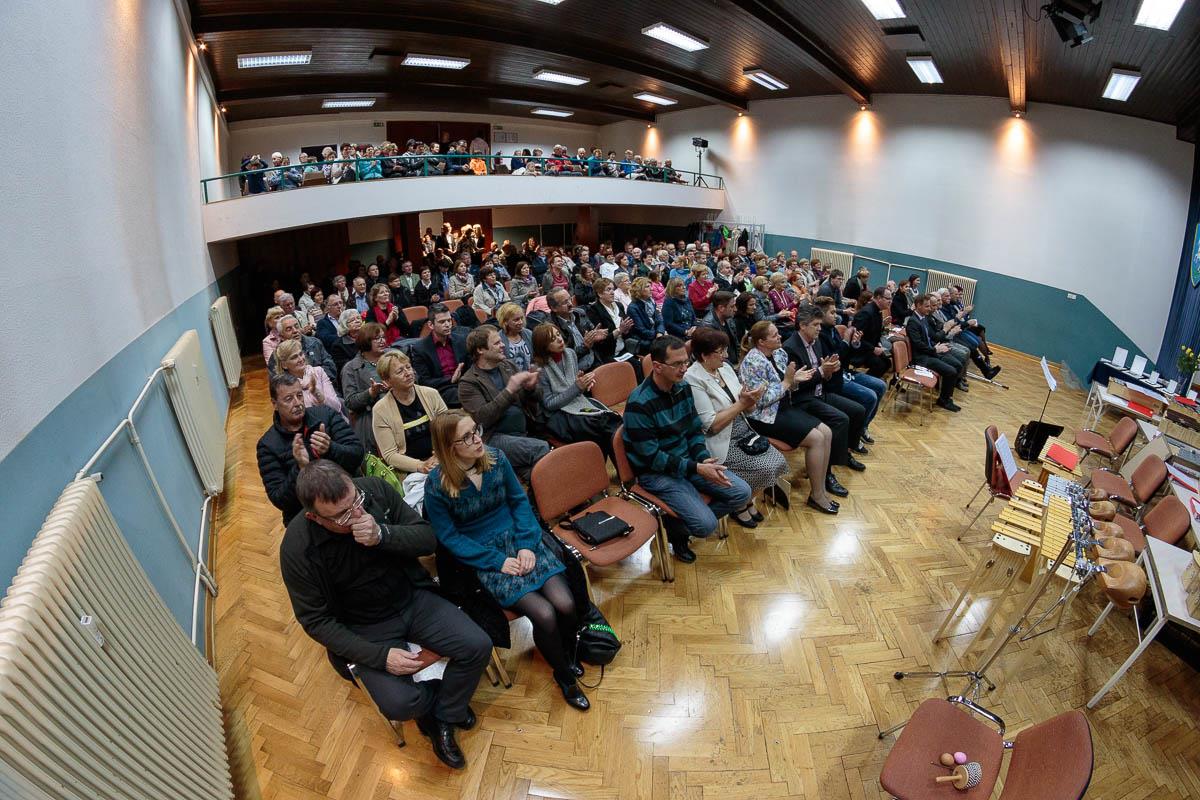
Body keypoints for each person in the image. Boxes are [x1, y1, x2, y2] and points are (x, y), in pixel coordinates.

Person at [279, 460, 491, 769]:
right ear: (315, 517)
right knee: (400, 704)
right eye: (342, 515)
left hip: (412, 598)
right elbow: (315, 621)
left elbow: (427, 539)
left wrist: (383, 534)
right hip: (364, 626)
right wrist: (380, 657)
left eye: (356, 501)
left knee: (478, 645)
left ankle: (445, 715)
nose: (356, 515)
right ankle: (436, 704)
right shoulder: (297, 548)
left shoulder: (374, 490)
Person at [425, 412, 589, 710]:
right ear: (450, 448)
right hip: (486, 556)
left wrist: (526, 544)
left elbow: (519, 502)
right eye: (467, 437)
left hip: (521, 538)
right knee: (544, 613)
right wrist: (497, 561)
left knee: (565, 603)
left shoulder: (496, 458)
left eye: (476, 430)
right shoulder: (436, 485)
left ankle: (565, 652)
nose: (478, 439)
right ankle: (564, 675)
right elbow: (450, 538)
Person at [623, 337, 752, 562]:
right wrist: (696, 467)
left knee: (742, 492)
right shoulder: (639, 403)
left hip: (688, 462)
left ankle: (679, 523)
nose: (685, 368)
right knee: (706, 526)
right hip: (657, 473)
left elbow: (693, 430)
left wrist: (703, 458)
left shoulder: (682, 387)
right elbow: (652, 458)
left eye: (686, 361)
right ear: (657, 367)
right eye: (677, 364)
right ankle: (677, 529)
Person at [684, 328, 788, 523]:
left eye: (726, 349)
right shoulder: (692, 378)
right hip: (721, 439)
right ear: (705, 355)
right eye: (721, 351)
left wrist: (752, 399)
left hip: (743, 428)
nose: (726, 355)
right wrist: (742, 403)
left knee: (778, 461)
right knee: (765, 467)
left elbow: (745, 404)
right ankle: (739, 504)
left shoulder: (724, 368)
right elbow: (711, 425)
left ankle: (746, 500)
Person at [737, 322, 841, 514]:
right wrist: (787, 382)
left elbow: (786, 387)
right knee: (817, 439)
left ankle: (821, 489)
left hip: (783, 408)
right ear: (761, 342)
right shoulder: (752, 362)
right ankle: (817, 495)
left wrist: (794, 382)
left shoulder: (779, 353)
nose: (780, 337)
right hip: (764, 417)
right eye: (774, 335)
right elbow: (758, 401)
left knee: (826, 432)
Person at [257, 374, 364, 524]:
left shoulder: (325, 415)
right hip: (308, 515)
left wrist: (330, 448)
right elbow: (280, 500)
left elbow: (357, 454)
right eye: (288, 399)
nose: (297, 403)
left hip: (347, 497)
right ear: (274, 404)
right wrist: (300, 468)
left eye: (299, 395)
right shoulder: (268, 445)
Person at [457, 325, 549, 480]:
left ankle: (529, 484)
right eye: (497, 343)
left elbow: (538, 397)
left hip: (525, 429)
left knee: (538, 468)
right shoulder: (468, 382)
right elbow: (482, 418)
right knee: (542, 449)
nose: (503, 345)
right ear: (480, 350)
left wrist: (530, 388)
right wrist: (509, 390)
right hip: (494, 437)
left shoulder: (508, 365)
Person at [782, 306, 867, 468]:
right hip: (803, 399)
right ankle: (827, 470)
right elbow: (796, 384)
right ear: (802, 325)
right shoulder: (790, 347)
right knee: (840, 419)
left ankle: (846, 452)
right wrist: (822, 371)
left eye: (820, 324)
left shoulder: (816, 342)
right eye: (815, 324)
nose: (819, 328)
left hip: (820, 392)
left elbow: (823, 374)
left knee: (858, 410)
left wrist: (829, 371)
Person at [531, 323, 621, 460]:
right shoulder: (539, 368)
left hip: (576, 404)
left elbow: (573, 387)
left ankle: (621, 467)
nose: (559, 339)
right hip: (558, 416)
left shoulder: (570, 354)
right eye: (552, 339)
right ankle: (608, 467)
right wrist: (577, 387)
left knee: (612, 422)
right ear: (543, 346)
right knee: (604, 426)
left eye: (558, 334)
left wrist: (583, 384)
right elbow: (549, 404)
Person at [814, 297, 886, 446]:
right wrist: (846, 341)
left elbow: (846, 356)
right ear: (821, 314)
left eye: (835, 312)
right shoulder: (820, 334)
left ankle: (862, 427)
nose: (836, 316)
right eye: (832, 312)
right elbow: (834, 359)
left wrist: (854, 343)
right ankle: (855, 435)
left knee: (881, 386)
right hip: (834, 378)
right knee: (870, 397)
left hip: (845, 371)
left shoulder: (832, 329)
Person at [372, 350, 448, 478]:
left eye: (408, 367)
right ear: (387, 381)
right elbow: (390, 455)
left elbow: (448, 429)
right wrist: (420, 465)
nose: (408, 373)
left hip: (442, 456)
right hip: (410, 471)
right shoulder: (380, 410)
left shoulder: (431, 394)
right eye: (400, 371)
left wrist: (439, 456)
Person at [905, 293, 966, 412]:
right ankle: (944, 400)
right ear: (918, 305)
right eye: (927, 306)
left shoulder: (923, 319)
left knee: (957, 365)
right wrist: (935, 350)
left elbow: (929, 338)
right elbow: (918, 345)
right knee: (951, 371)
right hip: (921, 358)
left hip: (930, 351)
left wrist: (936, 347)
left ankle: (947, 396)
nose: (930, 309)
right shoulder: (913, 322)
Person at [340, 322, 390, 451]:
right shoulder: (351, 368)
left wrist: (396, 383)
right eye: (377, 338)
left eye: (383, 337)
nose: (382, 341)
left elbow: (413, 376)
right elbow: (350, 402)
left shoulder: (393, 356)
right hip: (372, 417)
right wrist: (371, 393)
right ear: (365, 341)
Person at [411, 304, 468, 407]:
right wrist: (451, 379)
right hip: (441, 389)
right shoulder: (420, 349)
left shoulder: (461, 340)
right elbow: (424, 381)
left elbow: (471, 367)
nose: (447, 325)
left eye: (449, 320)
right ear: (431, 325)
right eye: (442, 322)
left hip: (465, 384)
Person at [273, 339, 344, 418]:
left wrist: (316, 392)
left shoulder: (318, 372)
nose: (301, 359)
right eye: (294, 357)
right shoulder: (284, 386)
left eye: (301, 354)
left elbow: (337, 407)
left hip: (333, 418)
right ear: (284, 365)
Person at [268, 315, 339, 387]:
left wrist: (313, 379)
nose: (295, 331)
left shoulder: (315, 343)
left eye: (296, 326)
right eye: (289, 329)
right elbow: (277, 382)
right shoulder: (277, 355)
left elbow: (331, 367)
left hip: (324, 385)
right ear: (281, 336)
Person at [585, 277, 636, 367]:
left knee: (637, 366)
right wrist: (619, 330)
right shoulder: (593, 310)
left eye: (613, 289)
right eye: (608, 290)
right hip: (607, 354)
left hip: (623, 350)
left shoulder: (619, 305)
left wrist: (626, 330)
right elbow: (601, 341)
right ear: (600, 294)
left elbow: (627, 331)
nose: (612, 292)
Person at [850, 287, 894, 378]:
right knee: (880, 364)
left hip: (869, 347)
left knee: (887, 362)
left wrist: (878, 344)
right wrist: (873, 349)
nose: (890, 301)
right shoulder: (866, 313)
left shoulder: (878, 311)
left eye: (891, 298)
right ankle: (864, 383)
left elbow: (874, 333)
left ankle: (872, 382)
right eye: (888, 299)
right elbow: (856, 338)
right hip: (860, 350)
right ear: (878, 298)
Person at [698, 291, 740, 364]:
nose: (735, 309)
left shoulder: (729, 319)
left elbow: (736, 343)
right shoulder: (708, 326)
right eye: (732, 306)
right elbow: (713, 355)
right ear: (721, 308)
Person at [496, 303, 534, 372]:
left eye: (521, 318)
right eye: (516, 320)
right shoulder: (498, 339)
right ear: (505, 322)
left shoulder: (529, 334)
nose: (521, 322)